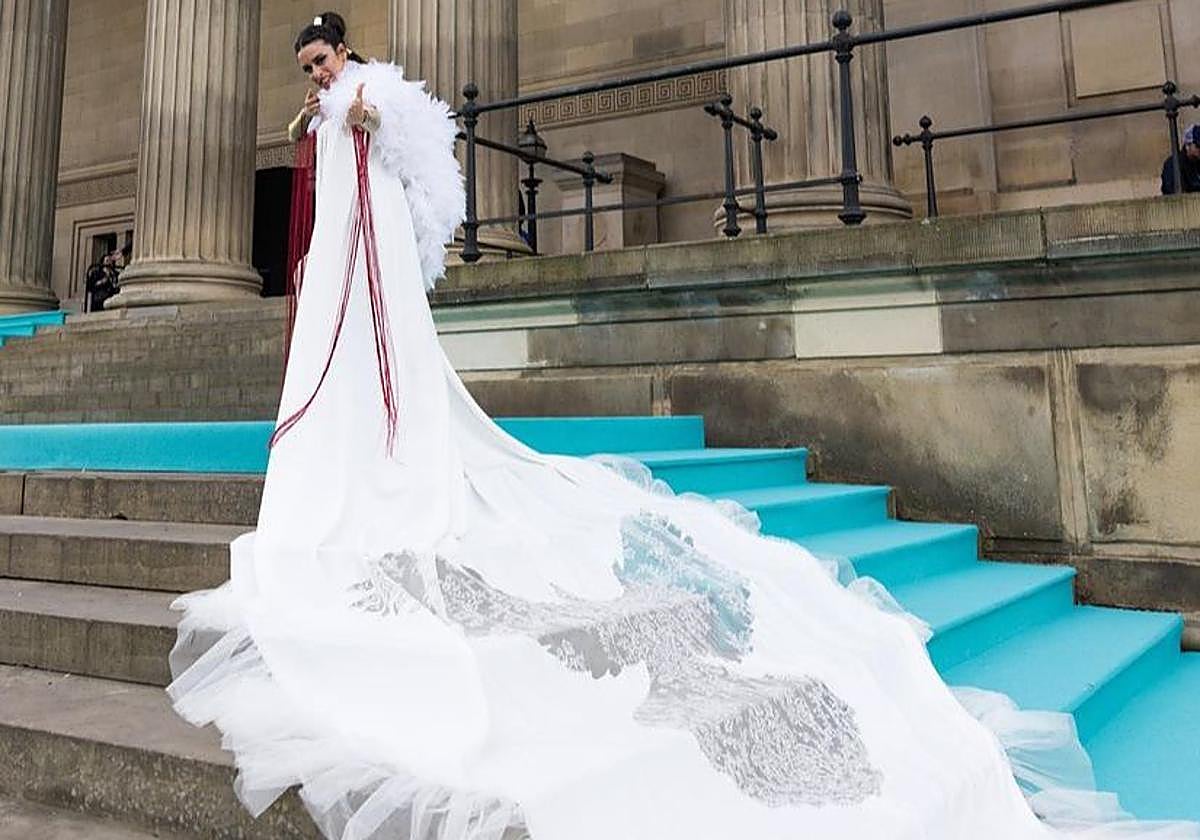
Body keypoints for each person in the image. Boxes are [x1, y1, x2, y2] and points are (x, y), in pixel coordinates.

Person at [165, 12, 1196, 840]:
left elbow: (418, 164)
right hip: (342, 264)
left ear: (346, 50)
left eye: (321, 60)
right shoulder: (317, 113)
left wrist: (363, 118)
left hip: (378, 257)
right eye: (306, 67)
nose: (315, 75)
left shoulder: (375, 93)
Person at [1160, 123, 1200, 194]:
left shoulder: (1197, 163)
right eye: (1198, 146)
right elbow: (1172, 192)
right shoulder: (1173, 165)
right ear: (1187, 145)